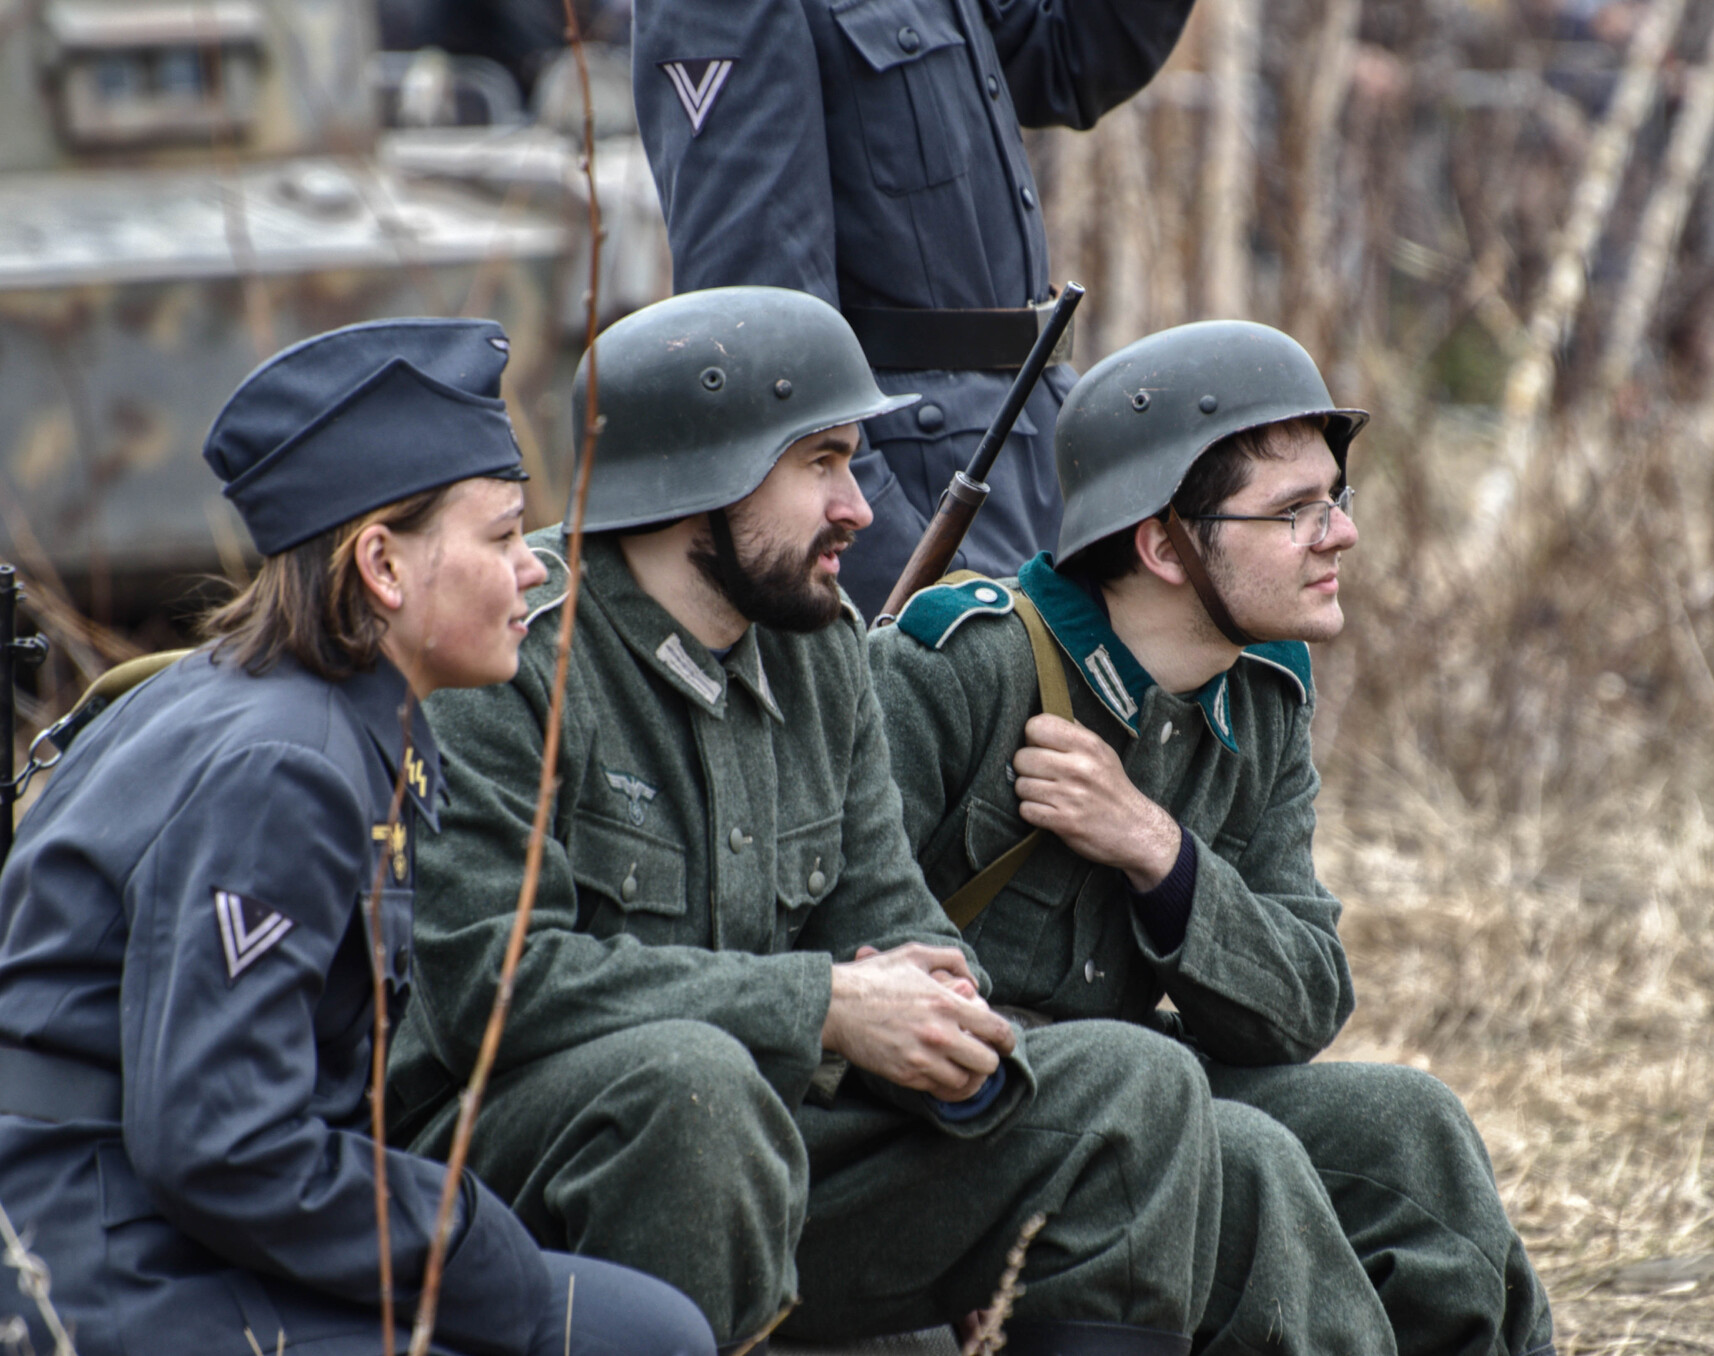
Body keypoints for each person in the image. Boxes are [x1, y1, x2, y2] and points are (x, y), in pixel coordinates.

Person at [386, 287, 1232, 1356]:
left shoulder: (818, 643)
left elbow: (881, 897)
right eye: (820, 463)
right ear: (704, 474)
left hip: (771, 1135)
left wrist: (942, 1022)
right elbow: (493, 990)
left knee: (1133, 1085)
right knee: (696, 1087)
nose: (860, 508)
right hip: (529, 1161)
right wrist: (825, 1007)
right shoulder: (512, 653)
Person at [0, 320, 714, 1356]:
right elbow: (221, 1145)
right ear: (380, 563)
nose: (532, 572)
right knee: (635, 1338)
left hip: (133, 1215)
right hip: (96, 1257)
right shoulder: (284, 764)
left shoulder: (282, 705)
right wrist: (470, 1244)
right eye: (503, 536)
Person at [869, 320, 1558, 1356]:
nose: (1341, 536)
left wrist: (1160, 853)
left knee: (1408, 1129)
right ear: (1162, 544)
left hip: (1138, 1094)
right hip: (955, 1118)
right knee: (1228, 1148)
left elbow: (1300, 1004)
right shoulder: (959, 667)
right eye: (1294, 512)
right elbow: (839, 937)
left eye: (1335, 498)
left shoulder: (1262, 695)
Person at [630, 0, 1200, 617]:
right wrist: (898, 570)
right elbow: (756, 322)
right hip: (913, 496)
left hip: (1034, 451)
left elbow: (1064, 58)